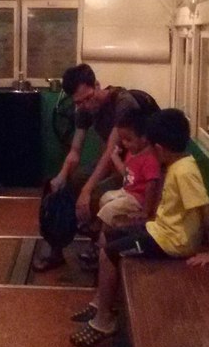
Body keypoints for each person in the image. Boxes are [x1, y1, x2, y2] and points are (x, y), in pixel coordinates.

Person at [69, 108, 209, 347]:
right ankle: (101, 303)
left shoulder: (184, 171)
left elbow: (206, 208)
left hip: (171, 242)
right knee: (109, 235)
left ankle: (104, 321)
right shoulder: (179, 165)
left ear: (159, 148)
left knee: (110, 253)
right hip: (160, 230)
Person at [32, 63, 157, 272]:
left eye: (88, 98)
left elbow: (110, 151)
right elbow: (75, 151)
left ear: (97, 85)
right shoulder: (83, 109)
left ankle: (99, 247)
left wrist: (87, 190)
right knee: (68, 185)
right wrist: (61, 177)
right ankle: (57, 250)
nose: (85, 105)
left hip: (133, 167)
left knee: (95, 194)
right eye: (79, 102)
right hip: (114, 161)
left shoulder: (123, 103)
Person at [87, 107, 161, 256]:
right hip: (128, 191)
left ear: (144, 138)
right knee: (104, 198)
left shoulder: (149, 159)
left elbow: (152, 186)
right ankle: (104, 232)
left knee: (108, 210)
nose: (125, 144)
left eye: (129, 140)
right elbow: (126, 174)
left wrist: (146, 211)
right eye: (122, 140)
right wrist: (115, 157)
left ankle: (101, 246)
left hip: (137, 199)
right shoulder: (133, 153)